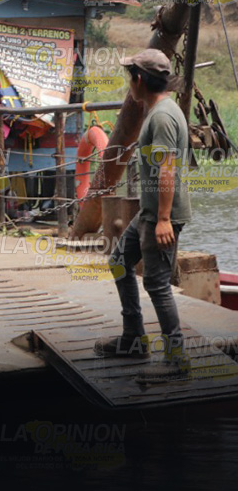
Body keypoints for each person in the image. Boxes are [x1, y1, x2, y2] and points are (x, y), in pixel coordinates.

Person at [95, 49, 192, 382]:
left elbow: (167, 169)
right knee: (119, 261)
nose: (129, 84)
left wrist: (163, 219)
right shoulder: (158, 111)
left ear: (139, 79)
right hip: (150, 212)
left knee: (157, 284)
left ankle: (176, 360)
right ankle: (133, 338)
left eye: (130, 77)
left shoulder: (163, 117)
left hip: (161, 216)